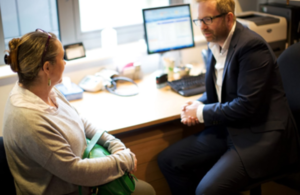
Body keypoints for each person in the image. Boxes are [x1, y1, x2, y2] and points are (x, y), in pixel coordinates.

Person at [157, 0, 300, 194]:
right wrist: (198, 103)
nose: (202, 26)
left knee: (206, 190)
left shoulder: (251, 47)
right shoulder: (215, 42)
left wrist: (200, 113)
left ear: (229, 18)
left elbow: (246, 105)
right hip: (231, 129)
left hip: (260, 137)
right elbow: (220, 90)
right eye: (198, 20)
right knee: (169, 160)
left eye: (207, 19)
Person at [2, 29, 156, 195]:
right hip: (75, 187)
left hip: (85, 181)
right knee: (147, 191)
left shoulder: (42, 90)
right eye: (62, 58)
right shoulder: (29, 120)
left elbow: (78, 119)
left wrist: (114, 143)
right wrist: (123, 160)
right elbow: (75, 171)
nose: (65, 63)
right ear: (47, 68)